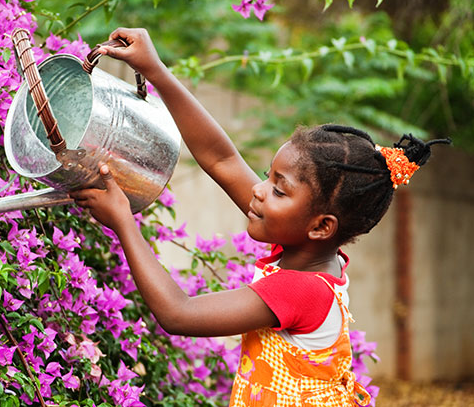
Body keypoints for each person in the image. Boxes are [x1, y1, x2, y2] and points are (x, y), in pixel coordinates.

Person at [69, 28, 450, 407]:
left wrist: (123, 220)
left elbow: (178, 314)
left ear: (321, 226)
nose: (258, 189)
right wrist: (156, 71)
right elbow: (222, 160)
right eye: (268, 175)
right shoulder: (312, 251)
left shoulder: (300, 289)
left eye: (279, 189)